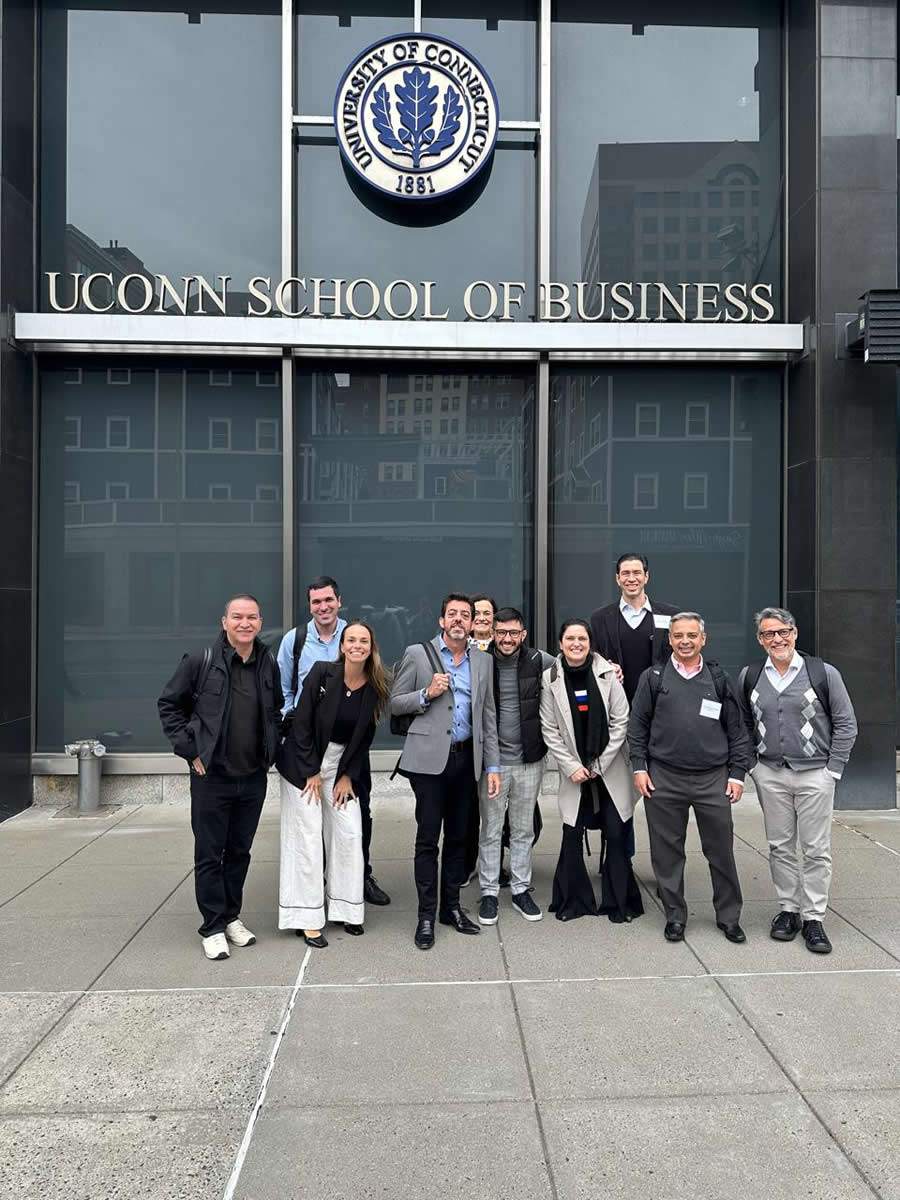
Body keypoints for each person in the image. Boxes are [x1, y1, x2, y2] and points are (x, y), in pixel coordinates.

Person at [158, 594, 283, 961]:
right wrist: (191, 750)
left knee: (239, 852)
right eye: (237, 617)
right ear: (224, 622)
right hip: (212, 776)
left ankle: (231, 917)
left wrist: (271, 750)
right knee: (210, 853)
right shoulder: (202, 660)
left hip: (253, 776)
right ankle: (212, 926)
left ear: (260, 623)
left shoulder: (267, 662)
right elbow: (169, 705)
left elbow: (274, 709)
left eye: (252, 617)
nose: (245, 623)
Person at [738, 607, 858, 955]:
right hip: (770, 774)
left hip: (816, 774)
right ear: (760, 639)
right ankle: (788, 910)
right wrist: (753, 766)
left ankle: (814, 917)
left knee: (816, 849)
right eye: (768, 633)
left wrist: (833, 770)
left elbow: (846, 723)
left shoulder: (823, 673)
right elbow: (741, 724)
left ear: (794, 633)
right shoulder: (750, 675)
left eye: (783, 632)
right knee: (780, 845)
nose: (777, 639)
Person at [628, 612, 751, 944]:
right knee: (667, 854)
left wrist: (737, 774)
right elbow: (637, 727)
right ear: (670, 639)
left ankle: (729, 917)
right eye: (679, 635)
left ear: (703, 639)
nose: (685, 641)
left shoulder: (719, 679)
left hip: (713, 778)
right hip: (664, 778)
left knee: (721, 852)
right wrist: (639, 767)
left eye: (692, 635)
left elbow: (737, 730)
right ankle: (675, 916)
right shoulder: (653, 678)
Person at [390, 593, 501, 950]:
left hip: (466, 761)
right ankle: (426, 915)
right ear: (441, 621)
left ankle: (450, 908)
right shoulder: (417, 654)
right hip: (429, 763)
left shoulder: (483, 660)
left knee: (458, 838)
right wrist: (427, 692)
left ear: (472, 623)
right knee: (428, 839)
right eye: (452, 614)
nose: (458, 620)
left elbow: (488, 716)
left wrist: (493, 765)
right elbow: (395, 702)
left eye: (465, 615)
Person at [277, 575, 390, 908]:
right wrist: (294, 719)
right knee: (311, 826)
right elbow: (284, 687)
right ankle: (316, 888)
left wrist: (347, 772)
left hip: (349, 748)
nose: (323, 606)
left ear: (339, 601)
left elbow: (370, 715)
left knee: (357, 814)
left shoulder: (354, 635)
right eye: (316, 601)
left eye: (328, 600)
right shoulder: (295, 640)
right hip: (310, 745)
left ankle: (359, 878)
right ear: (309, 605)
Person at [540, 619, 643, 922]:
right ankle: (573, 901)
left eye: (582, 638)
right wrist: (571, 766)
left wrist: (600, 764)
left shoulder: (607, 673)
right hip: (574, 772)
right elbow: (549, 728)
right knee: (572, 833)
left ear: (590, 642)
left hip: (609, 769)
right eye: (570, 638)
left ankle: (619, 903)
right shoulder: (550, 678)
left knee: (616, 832)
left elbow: (621, 720)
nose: (576, 644)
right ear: (560, 644)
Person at [477, 607, 554, 925]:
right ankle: (489, 892)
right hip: (492, 765)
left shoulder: (539, 660)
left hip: (529, 762)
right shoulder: (480, 661)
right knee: (491, 830)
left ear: (523, 634)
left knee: (523, 829)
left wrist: (610, 668)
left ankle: (521, 889)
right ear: (493, 633)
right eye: (501, 632)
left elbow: (576, 661)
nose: (507, 639)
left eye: (513, 633)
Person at [590, 553, 680, 700]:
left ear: (646, 577)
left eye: (637, 573)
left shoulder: (671, 615)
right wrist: (606, 666)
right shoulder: (600, 618)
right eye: (626, 573)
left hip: (660, 701)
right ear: (618, 579)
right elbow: (592, 657)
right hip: (615, 701)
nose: (631, 579)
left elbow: (680, 656)